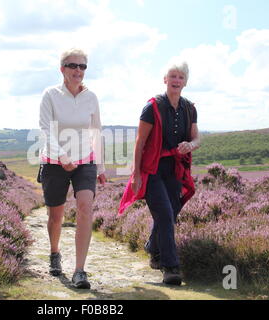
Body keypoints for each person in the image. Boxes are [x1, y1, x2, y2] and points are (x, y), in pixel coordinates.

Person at [118, 61, 200, 286]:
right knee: (164, 214)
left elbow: (197, 138)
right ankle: (170, 268)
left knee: (170, 214)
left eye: (181, 77)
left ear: (185, 82)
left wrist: (190, 146)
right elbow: (139, 142)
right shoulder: (152, 106)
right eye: (172, 76)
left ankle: (153, 247)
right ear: (165, 79)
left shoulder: (189, 108)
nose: (176, 80)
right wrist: (136, 175)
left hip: (175, 169)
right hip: (152, 169)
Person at [39, 48, 106, 289]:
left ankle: (80, 270)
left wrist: (100, 166)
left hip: (84, 162)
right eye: (72, 65)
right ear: (62, 69)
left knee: (86, 206)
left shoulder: (91, 98)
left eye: (82, 66)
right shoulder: (50, 95)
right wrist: (62, 156)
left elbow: (96, 131)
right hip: (54, 162)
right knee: (56, 216)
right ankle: (55, 252)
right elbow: (46, 130)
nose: (78, 70)